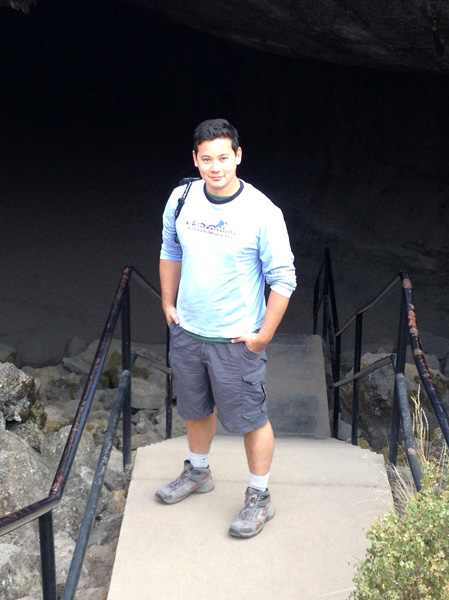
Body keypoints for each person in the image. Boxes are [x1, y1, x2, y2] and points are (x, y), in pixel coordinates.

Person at [156, 118, 296, 538]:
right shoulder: (182, 197)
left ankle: (260, 496)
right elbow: (170, 248)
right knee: (195, 407)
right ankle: (198, 472)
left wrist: (263, 336)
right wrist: (167, 302)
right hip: (189, 331)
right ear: (195, 159)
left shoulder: (262, 212)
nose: (215, 167)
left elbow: (283, 278)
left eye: (223, 157)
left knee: (252, 418)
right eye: (206, 159)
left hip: (236, 339)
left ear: (238, 156)